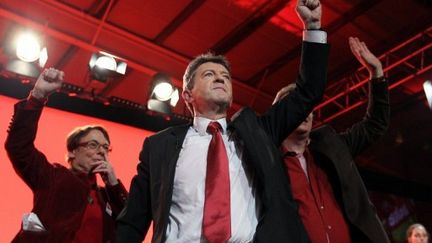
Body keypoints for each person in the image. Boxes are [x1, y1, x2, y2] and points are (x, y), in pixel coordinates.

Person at [116, 0, 329, 242]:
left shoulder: (259, 132)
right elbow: (133, 219)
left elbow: (308, 91)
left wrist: (312, 27)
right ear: (187, 95)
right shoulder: (159, 146)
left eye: (225, 76)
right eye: (209, 74)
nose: (220, 78)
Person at [272, 37, 390, 243]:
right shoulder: (268, 161)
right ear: (280, 114)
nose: (304, 111)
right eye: (295, 105)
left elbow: (374, 125)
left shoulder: (332, 146)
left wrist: (376, 74)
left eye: (308, 106)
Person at [4, 68, 128, 242]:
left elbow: (132, 225)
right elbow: (18, 146)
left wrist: (113, 185)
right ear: (72, 151)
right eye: (93, 145)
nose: (101, 151)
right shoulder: (53, 176)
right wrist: (38, 95)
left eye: (106, 148)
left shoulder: (107, 197)